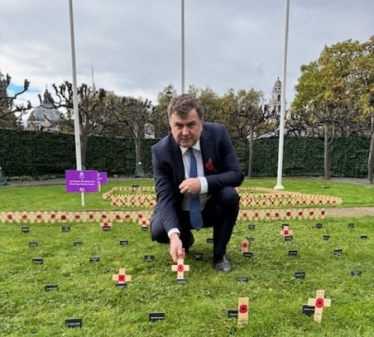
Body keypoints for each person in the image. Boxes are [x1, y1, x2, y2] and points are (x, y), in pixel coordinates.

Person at [150, 94, 244, 272]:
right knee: (159, 231)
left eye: (191, 125)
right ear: (170, 124)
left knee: (230, 196)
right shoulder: (160, 151)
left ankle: (219, 255)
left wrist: (202, 183)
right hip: (180, 211)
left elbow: (236, 174)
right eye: (178, 126)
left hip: (210, 206)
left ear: (202, 121)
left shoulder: (218, 134)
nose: (185, 133)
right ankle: (184, 239)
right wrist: (174, 235)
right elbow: (164, 195)